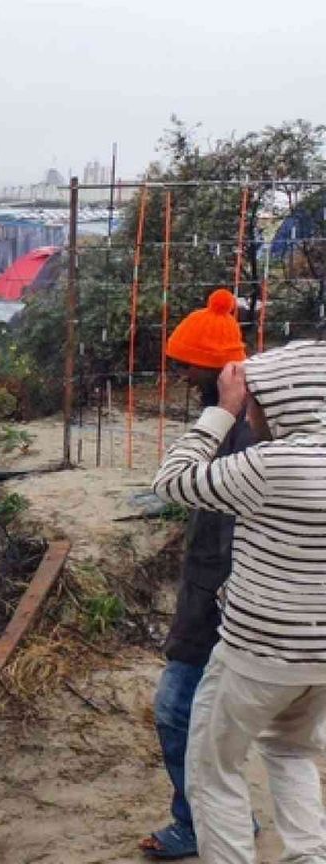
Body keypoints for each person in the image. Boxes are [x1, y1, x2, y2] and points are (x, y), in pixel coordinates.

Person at [152, 340, 326, 864]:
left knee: (214, 771)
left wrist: (220, 411)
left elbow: (172, 482)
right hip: (319, 660)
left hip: (257, 655)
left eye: (256, 402)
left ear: (283, 404)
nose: (251, 414)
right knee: (291, 750)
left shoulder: (269, 464)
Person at [138, 290, 252, 860]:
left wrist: (223, 601)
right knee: (215, 720)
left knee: (178, 710)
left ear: (212, 367)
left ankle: (195, 823)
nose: (181, 375)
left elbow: (175, 481)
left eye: (186, 364)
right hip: (212, 592)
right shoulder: (236, 419)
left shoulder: (244, 428)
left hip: (223, 601)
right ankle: (222, 816)